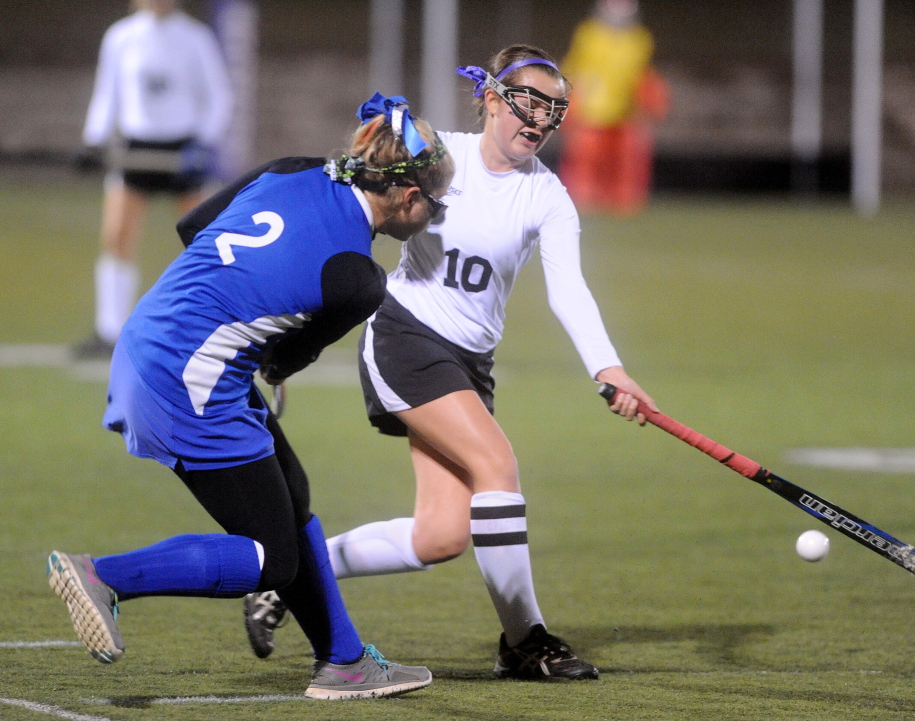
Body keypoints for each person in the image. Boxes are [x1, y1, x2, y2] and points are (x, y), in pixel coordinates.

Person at [243, 45, 657, 682]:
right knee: (498, 465)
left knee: (440, 535)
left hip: (469, 364)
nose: (539, 124)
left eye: (553, 114)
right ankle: (525, 642)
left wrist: (608, 366)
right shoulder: (442, 158)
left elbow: (569, 289)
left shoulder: (548, 196)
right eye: (528, 106)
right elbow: (354, 199)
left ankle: (288, 576)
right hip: (405, 336)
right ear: (491, 100)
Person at [48, 94, 455, 700]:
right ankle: (103, 576)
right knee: (273, 560)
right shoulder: (358, 278)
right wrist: (262, 339)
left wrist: (239, 300)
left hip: (153, 338)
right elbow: (285, 357)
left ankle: (344, 661)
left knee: (292, 498)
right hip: (187, 382)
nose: (434, 217)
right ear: (408, 197)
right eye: (436, 205)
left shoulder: (293, 167)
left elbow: (193, 228)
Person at [74, 0, 233, 359]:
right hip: (136, 150)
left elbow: (219, 95)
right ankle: (110, 331)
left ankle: (211, 326)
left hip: (182, 151)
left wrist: (204, 142)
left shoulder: (196, 37)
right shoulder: (121, 37)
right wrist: (93, 139)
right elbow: (107, 93)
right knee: (116, 238)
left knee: (206, 243)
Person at [558, 0, 671, 216]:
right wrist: (571, 101)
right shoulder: (588, 34)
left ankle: (624, 202)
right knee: (586, 159)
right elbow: (574, 69)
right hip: (591, 112)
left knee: (626, 162)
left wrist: (649, 100)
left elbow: (642, 74)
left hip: (626, 113)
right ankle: (583, 200)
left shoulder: (640, 39)